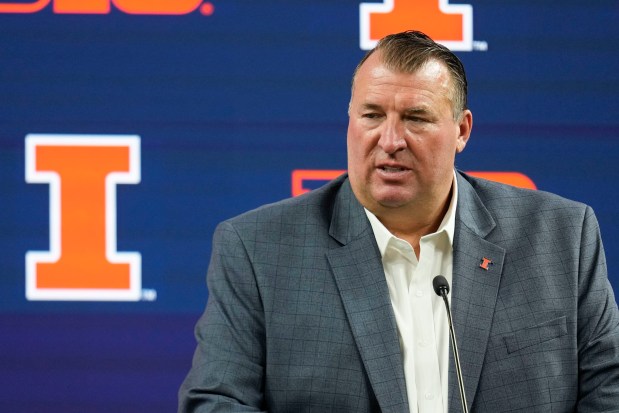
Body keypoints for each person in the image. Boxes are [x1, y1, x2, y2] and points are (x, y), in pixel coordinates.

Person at [178, 30, 619, 412]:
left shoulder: (561, 236)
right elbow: (216, 402)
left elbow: (609, 389)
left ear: (462, 130)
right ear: (349, 122)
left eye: (415, 118)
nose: (390, 141)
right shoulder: (258, 249)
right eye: (372, 115)